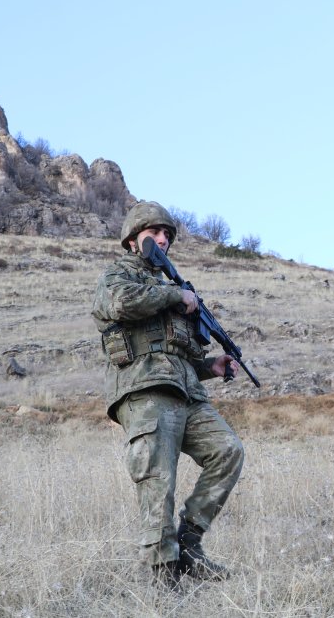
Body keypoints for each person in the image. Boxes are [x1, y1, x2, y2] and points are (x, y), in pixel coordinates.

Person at [91, 201, 246, 588]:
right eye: (155, 233)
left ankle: (189, 546)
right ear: (131, 240)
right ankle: (163, 579)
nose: (163, 239)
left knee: (228, 450)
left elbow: (183, 357)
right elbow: (121, 304)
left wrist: (211, 367)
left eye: (168, 235)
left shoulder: (172, 289)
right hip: (144, 391)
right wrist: (177, 298)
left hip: (187, 395)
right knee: (158, 480)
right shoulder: (118, 275)